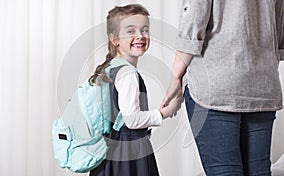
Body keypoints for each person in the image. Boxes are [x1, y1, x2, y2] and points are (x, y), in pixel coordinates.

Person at [162, 0, 284, 175]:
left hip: (215, 84)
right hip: (262, 83)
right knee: (259, 171)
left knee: (224, 170)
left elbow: (195, 14)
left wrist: (176, 75)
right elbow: (279, 24)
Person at [88, 4, 182, 176]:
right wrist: (165, 112)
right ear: (114, 39)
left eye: (144, 30)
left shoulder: (111, 68)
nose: (140, 36)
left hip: (111, 154)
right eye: (130, 31)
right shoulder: (127, 73)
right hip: (128, 155)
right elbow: (131, 120)